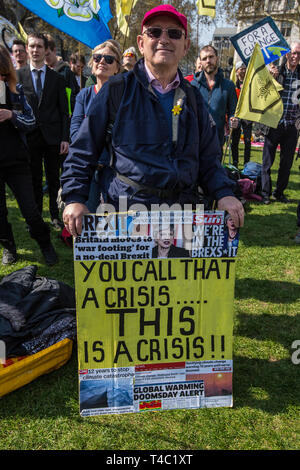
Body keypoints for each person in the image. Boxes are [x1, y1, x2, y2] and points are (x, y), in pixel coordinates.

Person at [61, 4, 244, 238]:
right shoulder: (115, 91)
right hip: (126, 217)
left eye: (174, 33)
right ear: (141, 42)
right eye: (155, 32)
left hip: (182, 218)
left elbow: (209, 158)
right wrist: (75, 198)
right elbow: (82, 150)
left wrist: (224, 192)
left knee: (179, 276)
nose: (163, 39)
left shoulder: (194, 98)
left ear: (186, 45)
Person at [0, 45, 58, 266]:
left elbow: (31, 121)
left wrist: (11, 115)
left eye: (2, 74)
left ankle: (45, 244)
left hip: (16, 161)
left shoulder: (15, 90)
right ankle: (9, 248)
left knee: (30, 210)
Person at [17, 32, 70, 230]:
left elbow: (65, 111)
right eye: (32, 46)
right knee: (33, 178)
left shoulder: (57, 78)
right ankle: (37, 214)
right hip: (29, 136)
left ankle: (55, 215)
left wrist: (65, 137)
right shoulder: (19, 76)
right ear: (27, 49)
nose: (35, 50)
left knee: (54, 177)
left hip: (53, 137)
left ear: (46, 50)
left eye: (39, 46)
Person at [70, 40, 121, 211]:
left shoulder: (124, 97)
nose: (102, 62)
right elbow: (75, 133)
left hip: (115, 171)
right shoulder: (83, 95)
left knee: (116, 221)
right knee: (88, 219)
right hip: (88, 169)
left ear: (117, 67)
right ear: (92, 64)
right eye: (97, 58)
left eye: (109, 59)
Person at [261, 41, 300, 204]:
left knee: (286, 162)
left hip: (291, 125)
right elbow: (263, 92)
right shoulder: (276, 71)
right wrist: (271, 77)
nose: (295, 56)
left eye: (298, 53)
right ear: (286, 54)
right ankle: (265, 193)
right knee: (267, 161)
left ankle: (279, 192)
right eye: (292, 52)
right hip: (273, 122)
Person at [191, 45, 238, 150]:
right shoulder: (192, 86)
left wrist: (233, 119)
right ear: (201, 62)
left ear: (217, 58)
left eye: (211, 57)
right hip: (195, 142)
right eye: (204, 58)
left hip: (217, 142)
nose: (208, 61)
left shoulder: (228, 86)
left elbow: (233, 111)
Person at [44, 34, 78, 114]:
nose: (45, 58)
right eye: (43, 55)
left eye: (47, 54)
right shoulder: (41, 72)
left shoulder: (67, 72)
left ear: (54, 51)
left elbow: (74, 98)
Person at [230, 61, 253, 168]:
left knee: (247, 141)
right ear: (237, 70)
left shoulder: (249, 83)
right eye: (241, 68)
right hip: (236, 115)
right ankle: (235, 162)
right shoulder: (233, 84)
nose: (243, 70)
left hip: (247, 115)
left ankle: (246, 163)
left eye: (245, 68)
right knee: (235, 140)